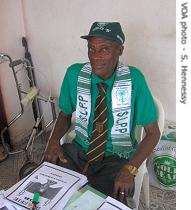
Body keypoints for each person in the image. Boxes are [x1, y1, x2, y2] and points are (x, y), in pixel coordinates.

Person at [43, 22, 160, 206]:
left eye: (104, 49)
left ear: (120, 50)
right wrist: (53, 141)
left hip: (116, 157)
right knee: (46, 187)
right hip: (79, 150)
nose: (95, 56)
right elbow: (65, 115)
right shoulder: (75, 74)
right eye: (91, 48)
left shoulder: (134, 79)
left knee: (105, 200)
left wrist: (130, 168)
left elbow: (153, 133)